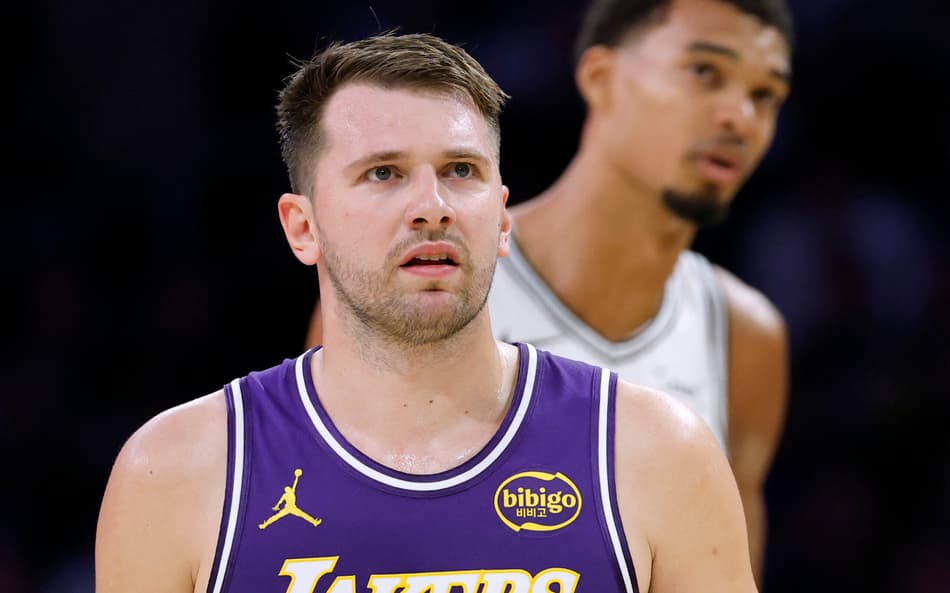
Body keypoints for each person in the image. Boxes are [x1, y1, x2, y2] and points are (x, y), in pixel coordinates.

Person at [95, 32, 758, 593]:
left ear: (501, 218)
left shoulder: (656, 452)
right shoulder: (177, 472)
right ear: (303, 227)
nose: (432, 205)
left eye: (461, 170)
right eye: (383, 173)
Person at [300, 0, 793, 579]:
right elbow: (325, 535)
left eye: (765, 95)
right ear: (600, 77)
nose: (739, 116)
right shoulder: (418, 279)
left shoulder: (743, 334)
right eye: (704, 72)